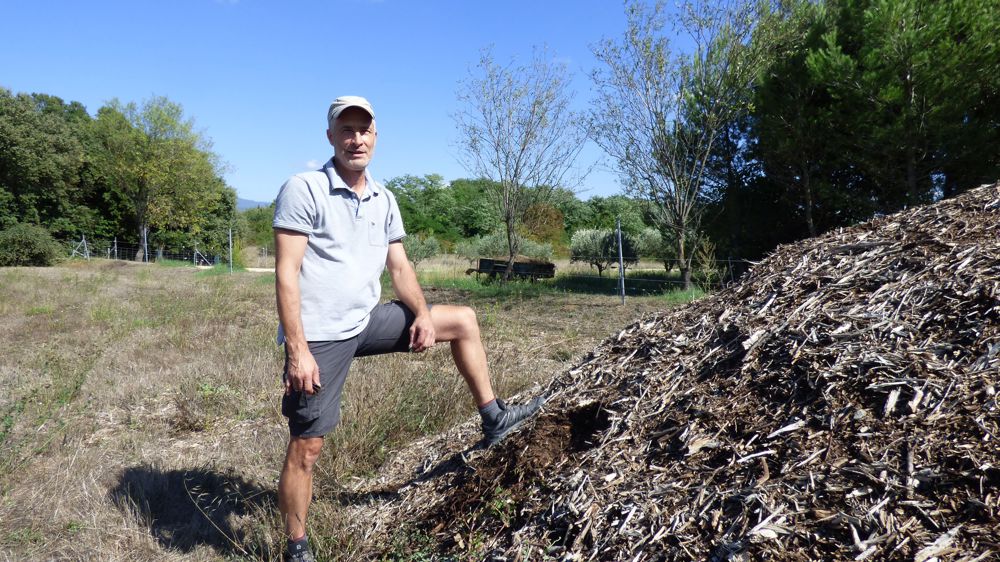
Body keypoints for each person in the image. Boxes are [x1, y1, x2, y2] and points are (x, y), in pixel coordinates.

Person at [272, 95, 545, 562]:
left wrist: (420, 313)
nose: (356, 139)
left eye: (364, 130)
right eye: (346, 130)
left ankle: (494, 417)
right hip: (320, 337)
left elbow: (399, 267)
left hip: (367, 318)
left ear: (375, 137)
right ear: (331, 136)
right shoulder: (305, 189)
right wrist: (298, 349)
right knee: (308, 445)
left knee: (462, 321)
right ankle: (296, 546)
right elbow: (286, 272)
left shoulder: (384, 198)